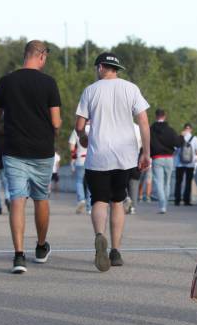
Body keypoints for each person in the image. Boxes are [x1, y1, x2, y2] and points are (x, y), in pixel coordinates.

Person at [75, 52, 151, 271]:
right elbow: (144, 122)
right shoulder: (131, 88)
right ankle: (115, 251)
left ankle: (100, 236)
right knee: (117, 201)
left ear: (100, 67)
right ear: (116, 69)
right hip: (124, 157)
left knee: (99, 200)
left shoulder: (90, 90)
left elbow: (80, 126)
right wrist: (146, 152)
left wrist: (83, 138)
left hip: (98, 156)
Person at [0, 40, 62, 274]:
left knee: (17, 199)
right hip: (42, 150)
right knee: (41, 198)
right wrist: (56, 130)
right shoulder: (49, 83)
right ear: (41, 56)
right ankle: (41, 248)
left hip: (14, 149)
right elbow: (56, 122)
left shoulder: (6, 81)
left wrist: (3, 131)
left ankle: (19, 256)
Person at [150, 109, 184, 214]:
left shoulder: (151, 129)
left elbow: (146, 143)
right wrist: (182, 136)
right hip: (169, 158)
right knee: (167, 183)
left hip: (157, 158)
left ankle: (162, 206)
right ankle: (165, 204)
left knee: (159, 183)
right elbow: (178, 143)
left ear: (156, 116)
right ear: (165, 116)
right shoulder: (170, 130)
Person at [174, 123, 197, 206]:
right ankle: (186, 200)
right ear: (191, 129)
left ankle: (177, 200)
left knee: (178, 182)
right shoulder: (194, 138)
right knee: (188, 182)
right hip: (190, 164)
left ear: (184, 129)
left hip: (179, 163)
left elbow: (175, 150)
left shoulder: (179, 137)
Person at [69, 123, 91, 214]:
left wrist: (73, 158)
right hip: (91, 159)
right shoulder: (95, 127)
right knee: (91, 183)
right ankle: (90, 207)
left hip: (80, 159)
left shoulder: (77, 130)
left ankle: (81, 199)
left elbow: (71, 146)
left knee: (79, 181)